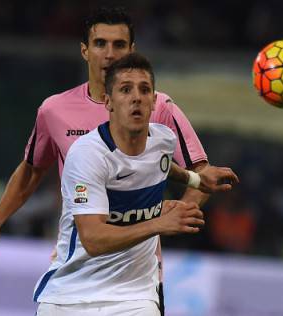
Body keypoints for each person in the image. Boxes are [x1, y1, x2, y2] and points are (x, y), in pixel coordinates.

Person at [0, 6, 238, 313]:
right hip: (77, 269)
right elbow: (31, 170)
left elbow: (200, 173)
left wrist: (179, 211)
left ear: (131, 50)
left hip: (138, 282)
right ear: (84, 51)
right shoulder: (55, 111)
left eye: (119, 45)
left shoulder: (158, 106)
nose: (110, 54)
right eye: (100, 44)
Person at [35, 52, 206, 316]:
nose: (136, 97)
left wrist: (197, 179)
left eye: (144, 90)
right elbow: (93, 239)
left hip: (134, 297)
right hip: (71, 296)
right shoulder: (86, 155)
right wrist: (159, 221)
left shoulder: (164, 141)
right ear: (108, 102)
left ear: (153, 102)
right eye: (125, 90)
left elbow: (158, 163)